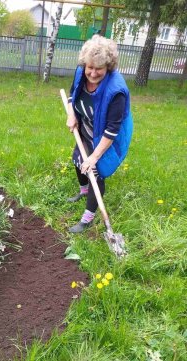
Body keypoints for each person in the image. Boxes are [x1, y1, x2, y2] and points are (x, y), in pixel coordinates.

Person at [66, 35, 133, 233]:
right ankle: (84, 191)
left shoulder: (116, 91)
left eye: (99, 69)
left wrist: (95, 157)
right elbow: (72, 95)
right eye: (90, 67)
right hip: (87, 125)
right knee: (78, 159)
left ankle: (87, 218)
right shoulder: (81, 72)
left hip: (106, 135)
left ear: (108, 67)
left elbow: (112, 130)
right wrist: (72, 114)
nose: (93, 73)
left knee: (95, 171)